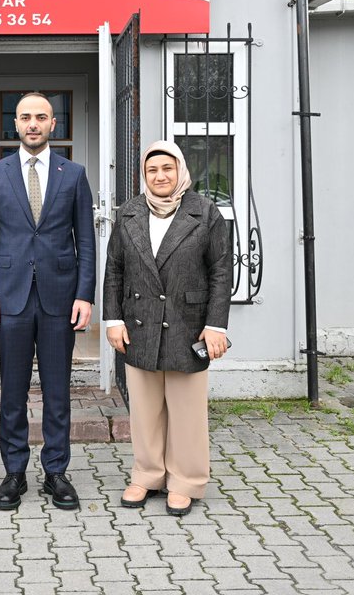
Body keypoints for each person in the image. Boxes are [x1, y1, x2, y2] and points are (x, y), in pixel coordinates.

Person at [0, 92, 96, 510]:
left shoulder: (73, 173)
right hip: (9, 297)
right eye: (25, 117)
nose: (32, 124)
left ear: (53, 125)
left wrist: (85, 295)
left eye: (40, 117)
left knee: (57, 389)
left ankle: (56, 472)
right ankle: (13, 472)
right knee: (11, 390)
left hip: (59, 297)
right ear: (15, 124)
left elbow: (86, 238)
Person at [102, 140, 231, 517]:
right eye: (152, 170)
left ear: (180, 172)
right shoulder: (130, 213)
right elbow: (114, 270)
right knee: (144, 409)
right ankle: (147, 475)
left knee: (186, 410)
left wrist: (215, 325)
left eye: (167, 169)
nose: (160, 176)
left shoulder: (205, 213)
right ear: (144, 175)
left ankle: (186, 481)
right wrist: (112, 320)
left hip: (188, 325)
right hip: (139, 324)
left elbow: (221, 273)